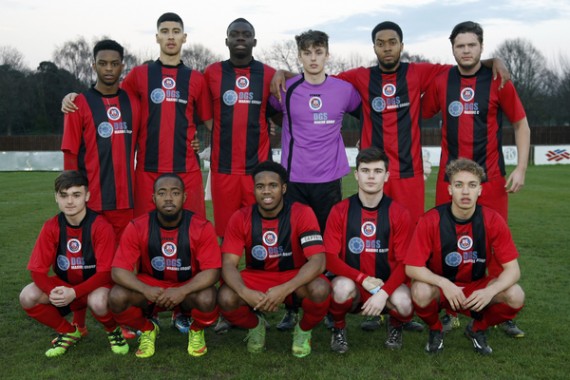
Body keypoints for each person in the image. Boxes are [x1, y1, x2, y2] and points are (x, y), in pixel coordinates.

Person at [421, 21, 530, 336]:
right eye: (460, 46)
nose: (466, 51)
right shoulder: (442, 82)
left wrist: (521, 168)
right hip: (450, 182)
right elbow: (417, 110)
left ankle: (499, 310)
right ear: (452, 48)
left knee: (496, 248)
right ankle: (444, 306)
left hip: (491, 180)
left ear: (481, 47)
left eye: (471, 45)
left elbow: (521, 125)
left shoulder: (498, 80)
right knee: (441, 243)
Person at [62, 12, 212, 220]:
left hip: (186, 169)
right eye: (165, 31)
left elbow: (210, 121)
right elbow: (108, 97)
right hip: (146, 171)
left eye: (176, 32)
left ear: (184, 38)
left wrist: (197, 141)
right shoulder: (139, 75)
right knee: (144, 235)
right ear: (157, 37)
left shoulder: (196, 78)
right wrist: (73, 97)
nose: (170, 37)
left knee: (193, 231)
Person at [269, 30, 360, 330]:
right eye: (307, 52)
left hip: (329, 181)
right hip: (294, 180)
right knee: (294, 247)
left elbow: (369, 115)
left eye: (318, 52)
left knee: (326, 247)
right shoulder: (287, 88)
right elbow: (269, 114)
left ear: (327, 54)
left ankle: (328, 309)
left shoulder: (343, 90)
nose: (313, 58)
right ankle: (293, 309)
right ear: (299, 56)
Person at [203, 18, 279, 334]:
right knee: (224, 239)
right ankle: (229, 303)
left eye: (246, 34)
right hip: (223, 172)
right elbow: (207, 119)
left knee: (260, 235)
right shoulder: (211, 74)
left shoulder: (270, 75)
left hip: (257, 173)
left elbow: (280, 113)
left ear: (254, 42)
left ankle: (263, 298)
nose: (240, 38)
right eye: (235, 34)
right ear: (226, 40)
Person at [60, 39, 140, 339]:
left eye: (114, 63)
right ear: (93, 64)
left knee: (121, 266)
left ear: (123, 65)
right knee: (84, 264)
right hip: (91, 203)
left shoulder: (134, 102)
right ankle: (78, 324)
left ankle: (122, 320)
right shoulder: (78, 104)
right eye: (102, 63)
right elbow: (70, 158)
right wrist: (73, 200)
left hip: (125, 202)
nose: (108, 69)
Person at [405, 158, 525, 355]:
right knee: (419, 291)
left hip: (476, 288)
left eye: (472, 185)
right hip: (442, 289)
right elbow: (412, 267)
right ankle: (436, 329)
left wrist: (490, 291)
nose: (466, 191)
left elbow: (513, 270)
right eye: (459, 185)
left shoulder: (493, 220)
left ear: (480, 190)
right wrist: (444, 284)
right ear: (450, 189)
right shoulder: (431, 220)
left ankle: (477, 329)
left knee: (515, 295)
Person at [217, 161, 330, 358]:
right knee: (226, 297)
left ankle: (303, 330)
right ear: (254, 189)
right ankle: (256, 325)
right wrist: (245, 292)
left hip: (294, 276)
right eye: (260, 186)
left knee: (321, 289)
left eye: (273, 186)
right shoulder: (241, 217)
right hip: (257, 276)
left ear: (283, 188)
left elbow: (318, 261)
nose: (266, 192)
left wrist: (285, 288)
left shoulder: (302, 212)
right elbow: (228, 264)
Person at [107, 173, 220, 358]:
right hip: (151, 288)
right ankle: (147, 328)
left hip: (186, 288)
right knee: (116, 296)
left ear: (184, 197)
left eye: (175, 193)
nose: (168, 198)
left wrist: (183, 291)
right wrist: (145, 289)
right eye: (162, 193)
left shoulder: (201, 226)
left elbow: (212, 272)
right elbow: (118, 271)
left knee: (208, 297)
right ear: (153, 198)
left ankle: (196, 330)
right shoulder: (137, 226)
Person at [19, 171, 129, 357]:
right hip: (66, 285)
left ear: (87, 196)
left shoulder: (101, 226)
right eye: (64, 195)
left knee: (98, 301)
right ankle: (69, 332)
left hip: (96, 286)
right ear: (56, 197)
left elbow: (104, 273)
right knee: (27, 296)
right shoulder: (51, 226)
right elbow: (37, 270)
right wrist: (53, 291)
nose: (69, 201)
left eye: (76, 195)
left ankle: (113, 331)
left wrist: (74, 293)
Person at [324, 147, 415, 353]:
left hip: (388, 286)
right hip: (354, 283)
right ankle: (338, 329)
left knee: (405, 303)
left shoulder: (399, 213)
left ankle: (395, 325)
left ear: (386, 176)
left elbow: (405, 263)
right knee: (340, 289)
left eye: (377, 171)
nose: (371, 176)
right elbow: (329, 258)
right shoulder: (340, 210)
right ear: (356, 175)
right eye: (365, 171)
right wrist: (362, 278)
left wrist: (383, 292)